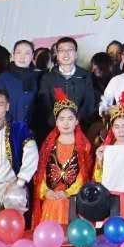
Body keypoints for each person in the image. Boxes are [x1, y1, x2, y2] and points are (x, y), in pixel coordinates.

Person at [30, 89, 92, 237]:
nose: (66, 123)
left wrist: (67, 192)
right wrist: (46, 191)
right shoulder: (48, 145)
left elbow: (85, 175)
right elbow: (40, 173)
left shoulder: (84, 146)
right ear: (56, 122)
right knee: (52, 203)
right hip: (51, 194)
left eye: (70, 118)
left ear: (76, 121)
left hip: (73, 196)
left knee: (63, 203)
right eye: (62, 119)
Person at [35, 36, 97, 137]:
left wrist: (77, 121)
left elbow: (89, 103)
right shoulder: (48, 77)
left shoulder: (85, 76)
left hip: (80, 129)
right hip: (54, 129)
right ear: (57, 54)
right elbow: (44, 103)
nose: (66, 53)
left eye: (70, 50)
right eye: (61, 50)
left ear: (76, 54)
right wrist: (55, 122)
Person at [0, 40, 40, 131]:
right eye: (19, 52)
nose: (22, 57)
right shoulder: (3, 78)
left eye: (27, 53)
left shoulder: (38, 78)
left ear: (32, 56)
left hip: (32, 131)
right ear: (13, 55)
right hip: (8, 129)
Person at [93, 92, 124, 184]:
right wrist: (100, 161)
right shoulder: (106, 150)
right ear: (112, 129)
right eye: (117, 127)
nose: (121, 131)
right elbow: (98, 180)